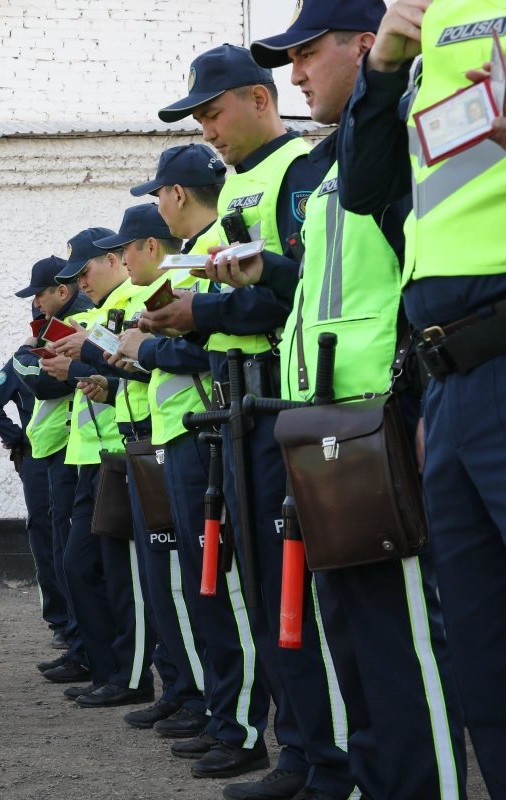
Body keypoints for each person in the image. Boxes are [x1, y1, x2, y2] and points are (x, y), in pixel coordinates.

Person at [245, 2, 470, 797]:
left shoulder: (405, 133)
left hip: (380, 419)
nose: (295, 74)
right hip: (326, 428)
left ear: (365, 46)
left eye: (307, 54)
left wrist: (419, 402)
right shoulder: (341, 157)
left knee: (402, 649)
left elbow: (429, 285)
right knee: (354, 647)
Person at [148, 45, 349, 800]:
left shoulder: (301, 172)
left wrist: (202, 310)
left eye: (212, 110)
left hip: (279, 402)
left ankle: (331, 762)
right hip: (238, 407)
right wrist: (195, 314)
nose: (207, 129)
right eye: (198, 117)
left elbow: (298, 291)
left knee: (293, 585)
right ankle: (298, 752)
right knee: (263, 589)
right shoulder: (247, 184)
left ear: (260, 100)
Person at [338, 2, 506, 793]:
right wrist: (383, 67)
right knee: (483, 659)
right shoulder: (423, 26)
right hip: (452, 377)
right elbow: (369, 188)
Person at [104, 143, 272, 777]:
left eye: (156, 195)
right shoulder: (191, 258)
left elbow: (218, 350)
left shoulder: (207, 257)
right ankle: (220, 714)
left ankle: (238, 723)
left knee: (220, 585)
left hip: (208, 430)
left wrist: (146, 350)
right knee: (202, 588)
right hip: (184, 434)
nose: (156, 206)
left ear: (174, 196)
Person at [92, 206, 212, 736]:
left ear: (150, 247)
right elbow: (158, 365)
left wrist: (145, 353)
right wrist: (134, 361)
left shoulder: (181, 284)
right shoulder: (149, 293)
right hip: (153, 441)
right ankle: (180, 688)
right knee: (159, 578)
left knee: (183, 580)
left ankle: (200, 698)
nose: (119, 259)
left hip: (182, 440)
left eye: (125, 249)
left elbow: (203, 356)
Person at [40, 231, 150, 707]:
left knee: (120, 576)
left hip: (125, 454)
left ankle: (130, 678)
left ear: (114, 260)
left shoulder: (132, 297)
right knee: (81, 566)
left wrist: (85, 357)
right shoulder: (102, 305)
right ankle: (110, 672)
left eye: (85, 271)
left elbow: (134, 362)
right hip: (92, 455)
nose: (81, 282)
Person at [10, 256, 96, 664]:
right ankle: (78, 641)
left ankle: (82, 644)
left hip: (74, 451)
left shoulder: (73, 323)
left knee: (74, 555)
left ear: (63, 291)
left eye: (40, 295)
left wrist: (21, 357)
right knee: (64, 551)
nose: (36, 305)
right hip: (65, 447)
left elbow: (44, 384)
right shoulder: (61, 322)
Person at [0, 306, 66, 646]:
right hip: (39, 457)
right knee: (47, 535)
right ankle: (62, 622)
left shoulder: (70, 356)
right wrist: (18, 436)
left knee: (64, 536)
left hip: (71, 453)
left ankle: (73, 622)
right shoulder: (28, 359)